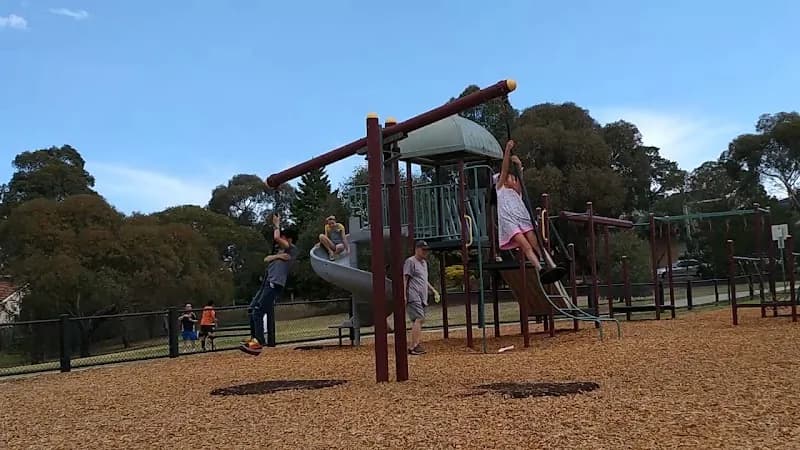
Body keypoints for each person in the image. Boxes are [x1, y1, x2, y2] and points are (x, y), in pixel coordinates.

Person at [240, 214, 299, 355]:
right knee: (252, 309)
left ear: (289, 239)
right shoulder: (280, 253)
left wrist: (277, 224)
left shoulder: (291, 249)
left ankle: (258, 342)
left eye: (284, 238)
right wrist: (277, 256)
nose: (281, 241)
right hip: (266, 283)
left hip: (274, 284)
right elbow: (266, 259)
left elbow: (277, 238)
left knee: (258, 311)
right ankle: (254, 339)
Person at [495, 139, 548, 274]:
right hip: (510, 223)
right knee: (526, 246)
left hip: (522, 221)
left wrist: (518, 165)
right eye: (509, 178)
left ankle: (546, 262)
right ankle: (540, 268)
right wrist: (507, 150)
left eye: (513, 178)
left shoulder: (517, 192)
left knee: (535, 243)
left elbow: (520, 179)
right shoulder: (500, 189)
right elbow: (505, 168)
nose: (511, 179)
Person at [403, 240, 440, 356]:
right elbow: (405, 278)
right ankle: (414, 346)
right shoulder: (410, 262)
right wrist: (404, 294)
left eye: (426, 250)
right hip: (413, 294)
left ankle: (415, 344)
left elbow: (424, 280)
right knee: (419, 318)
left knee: (418, 320)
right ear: (417, 249)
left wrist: (433, 290)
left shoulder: (424, 263)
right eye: (423, 250)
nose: (425, 252)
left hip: (422, 295)